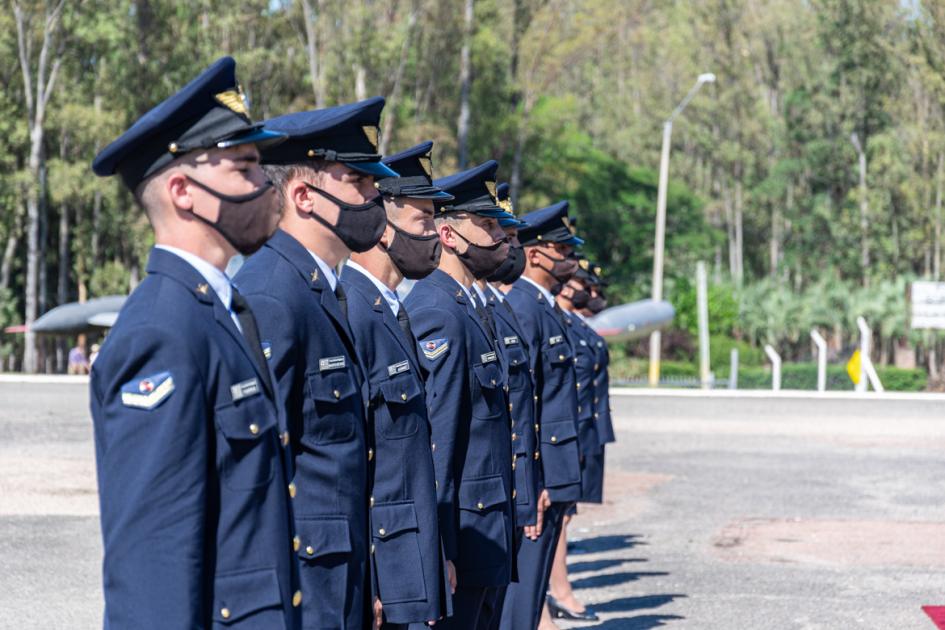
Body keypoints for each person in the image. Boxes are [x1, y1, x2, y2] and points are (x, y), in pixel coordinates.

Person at [89, 57, 299, 628]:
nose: (266, 185)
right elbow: (152, 557)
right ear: (184, 190)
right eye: (246, 167)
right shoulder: (162, 332)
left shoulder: (223, 310)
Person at [234, 97, 398, 630]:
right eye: (358, 180)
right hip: (302, 583)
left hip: (338, 572)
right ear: (304, 195)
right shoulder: (274, 295)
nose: (376, 195)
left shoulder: (321, 290)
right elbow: (253, 470)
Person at [339, 141, 455, 628]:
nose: (434, 235)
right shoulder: (353, 310)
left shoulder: (389, 307)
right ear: (384, 230)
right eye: (423, 222)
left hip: (406, 553)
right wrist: (372, 575)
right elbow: (355, 459)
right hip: (381, 562)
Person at [404, 160, 516, 630]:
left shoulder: (469, 306)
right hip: (464, 533)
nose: (500, 239)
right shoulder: (437, 311)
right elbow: (438, 441)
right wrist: (441, 548)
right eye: (486, 225)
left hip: (487, 522)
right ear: (450, 237)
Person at [500, 201, 584, 630]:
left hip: (553, 472)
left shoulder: (544, 306)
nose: (570, 260)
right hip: (540, 475)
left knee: (532, 599)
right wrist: (532, 479)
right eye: (563, 251)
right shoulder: (525, 307)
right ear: (537, 255)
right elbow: (521, 401)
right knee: (520, 604)